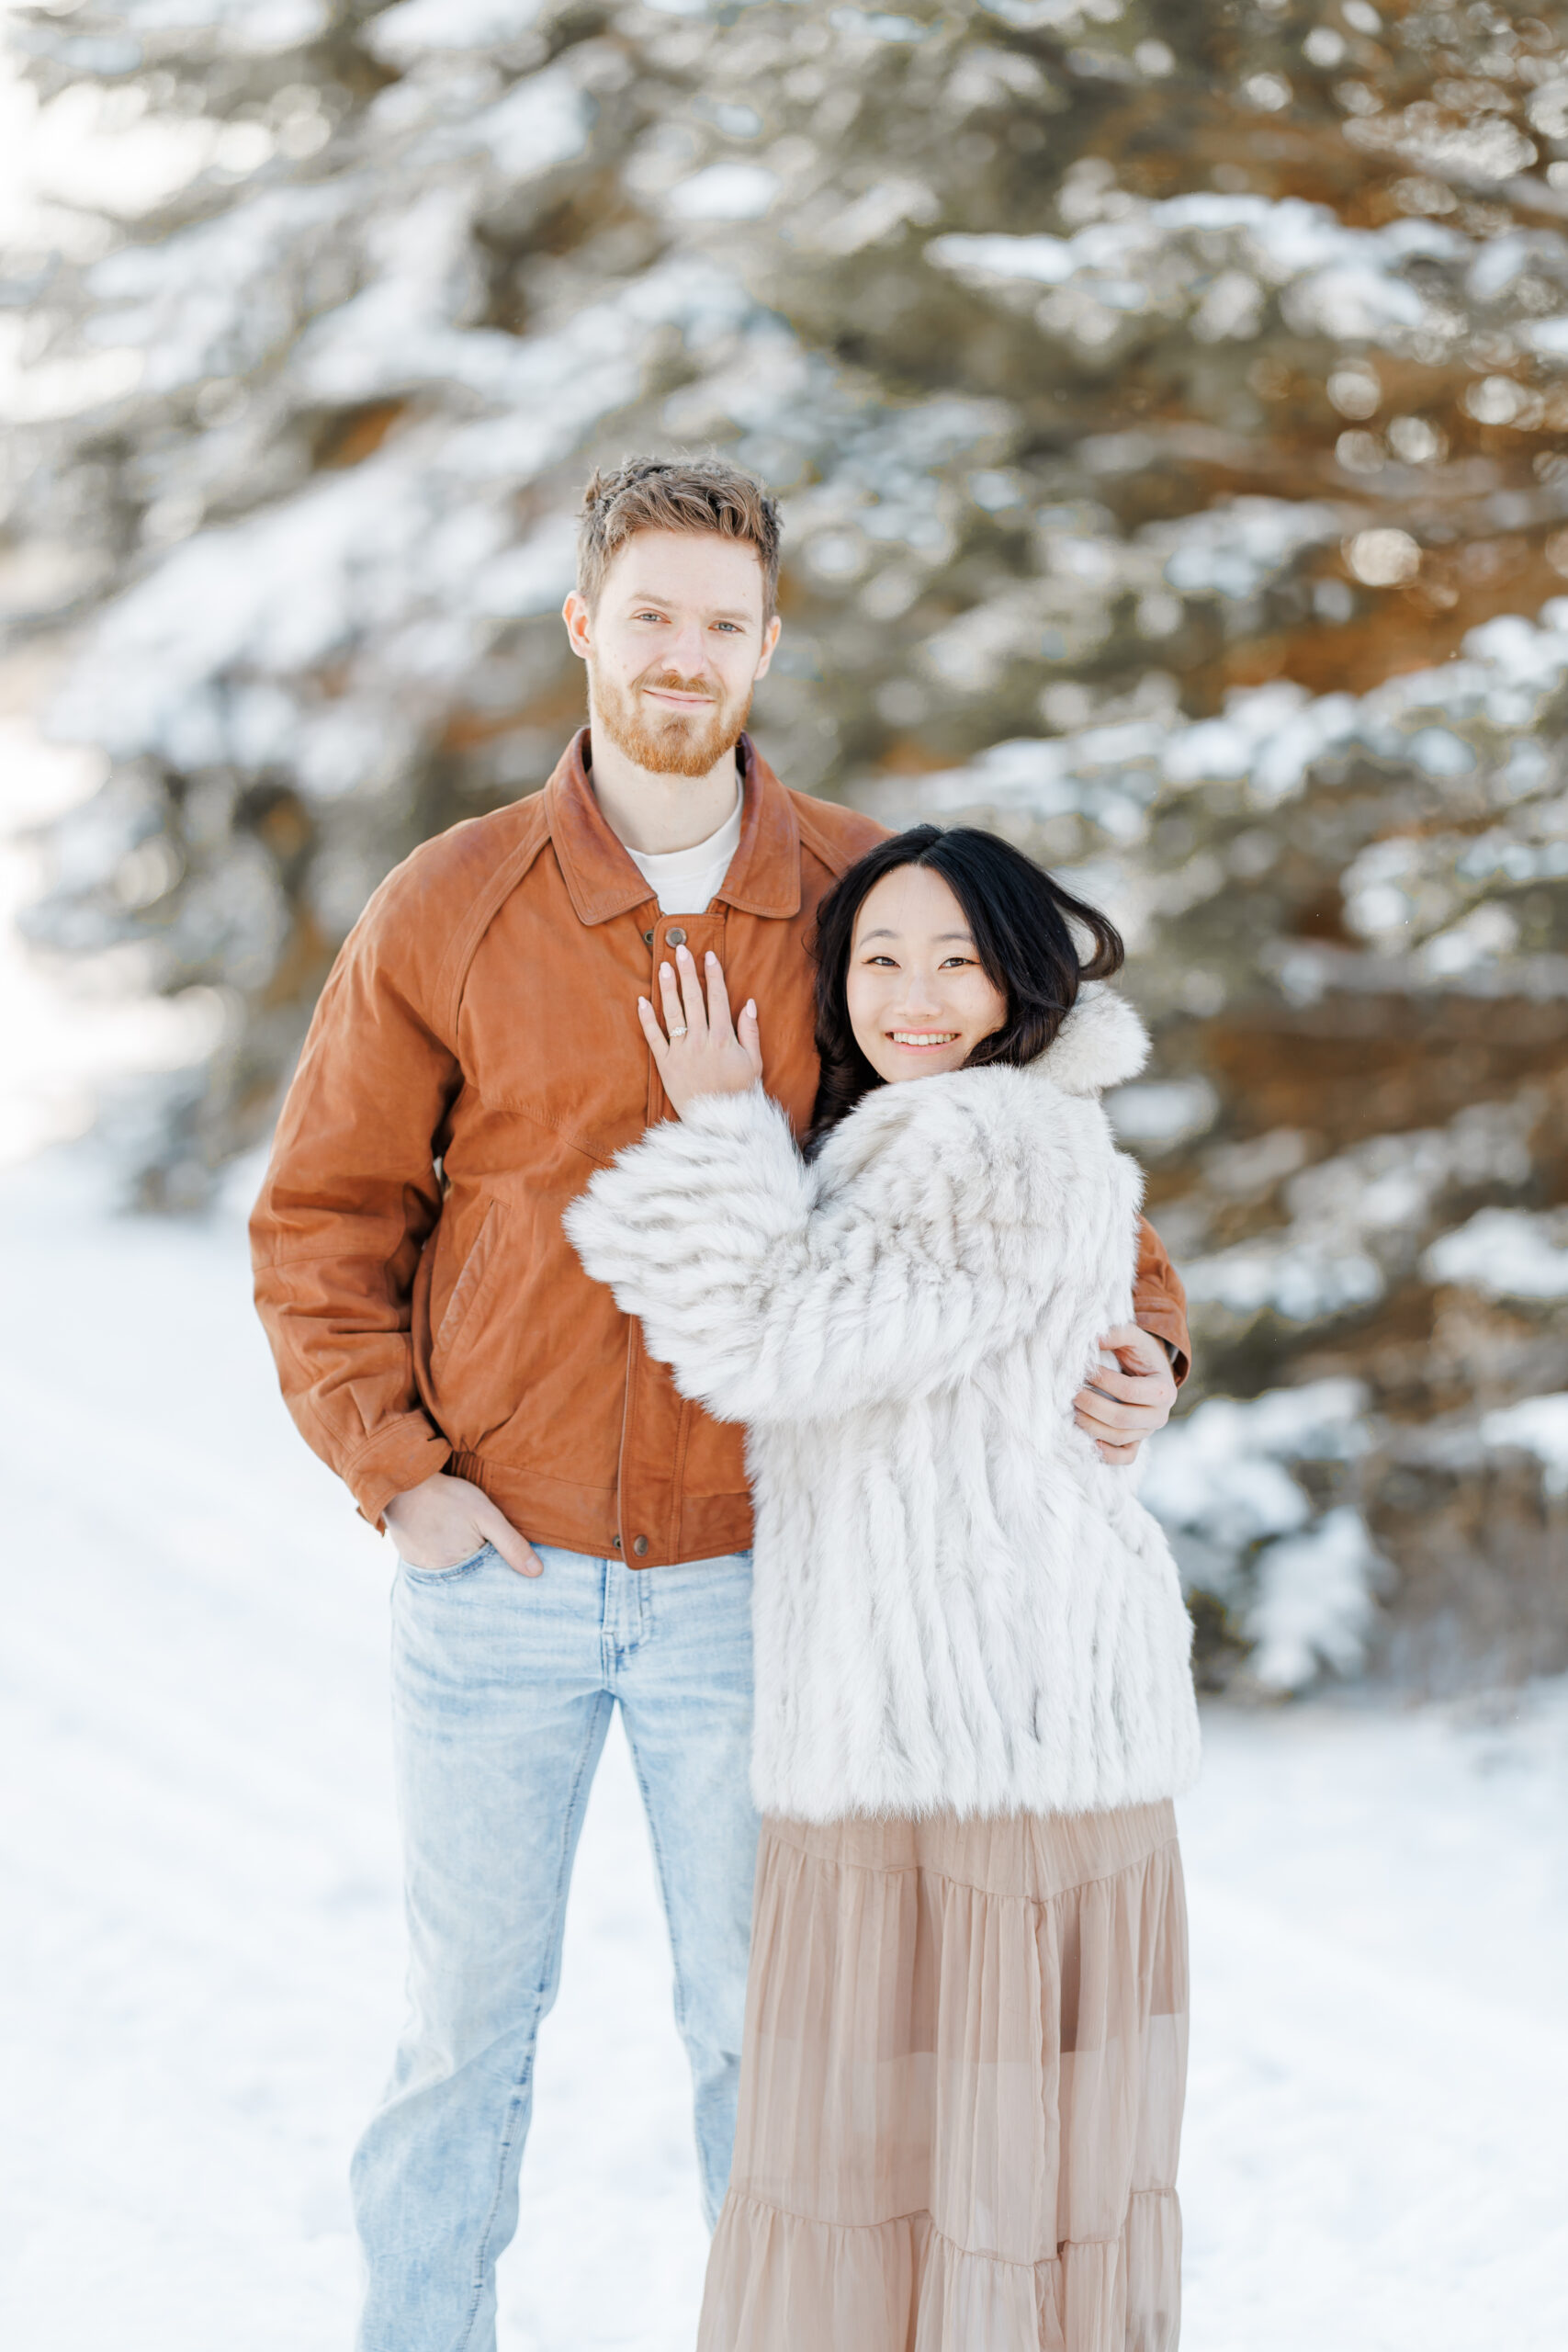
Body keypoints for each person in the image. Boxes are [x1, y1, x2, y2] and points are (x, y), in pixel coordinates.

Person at [248, 456, 1190, 2351]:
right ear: (586, 622)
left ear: (770, 641)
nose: (686, 654)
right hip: (496, 1574)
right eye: (650, 614)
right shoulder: (454, 898)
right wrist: (398, 1473)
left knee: (770, 2050)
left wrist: (1145, 1340)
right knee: (460, 2036)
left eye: (722, 621)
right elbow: (325, 1215)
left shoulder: (870, 891)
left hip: (756, 1581)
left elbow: (1026, 1132)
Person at [568, 823, 1200, 2351]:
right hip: (958, 1708)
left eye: (959, 960)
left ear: (1019, 982)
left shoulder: (988, 1139)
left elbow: (772, 1337)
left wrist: (722, 1129)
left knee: (919, 2170)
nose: (915, 995)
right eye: (880, 959)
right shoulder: (939, 1127)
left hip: (985, 1722)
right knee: (950, 2174)